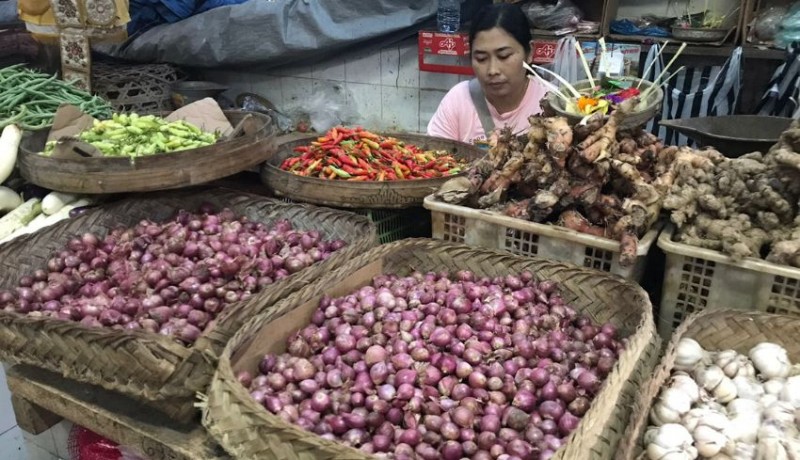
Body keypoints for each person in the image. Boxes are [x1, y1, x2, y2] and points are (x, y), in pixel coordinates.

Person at [427, 3, 547, 146]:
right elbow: (433, 158)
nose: (492, 70)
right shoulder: (458, 101)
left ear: (530, 53)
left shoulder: (553, 104)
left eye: (504, 56)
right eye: (481, 59)